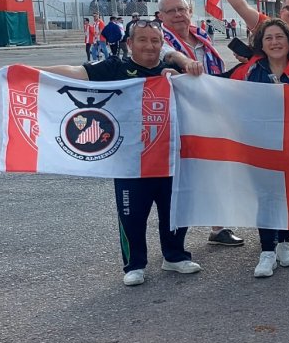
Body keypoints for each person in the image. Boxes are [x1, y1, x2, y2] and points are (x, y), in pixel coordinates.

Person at [30, 18, 204, 286]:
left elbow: (203, 93)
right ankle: (134, 264)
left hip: (171, 159)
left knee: (175, 211)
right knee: (131, 215)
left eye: (155, 41)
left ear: (162, 44)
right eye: (143, 40)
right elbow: (76, 73)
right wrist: (32, 72)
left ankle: (175, 255)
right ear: (129, 43)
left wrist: (187, 71)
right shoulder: (115, 67)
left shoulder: (171, 71)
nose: (149, 46)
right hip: (130, 162)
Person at [223, 18, 289, 278]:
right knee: (266, 195)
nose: (275, 42)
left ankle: (284, 243)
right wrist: (187, 74)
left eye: (280, 37)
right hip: (259, 145)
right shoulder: (250, 70)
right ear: (261, 43)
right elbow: (220, 88)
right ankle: (266, 251)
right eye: (269, 38)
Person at [157, 0, 243, 248]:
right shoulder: (159, 37)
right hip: (179, 116)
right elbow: (169, 53)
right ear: (161, 16)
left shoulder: (201, 35)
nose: (177, 15)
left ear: (189, 11)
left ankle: (219, 227)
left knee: (216, 168)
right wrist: (186, 62)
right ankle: (174, 244)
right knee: (182, 176)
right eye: (170, 11)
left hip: (211, 111)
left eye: (181, 9)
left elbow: (215, 73)